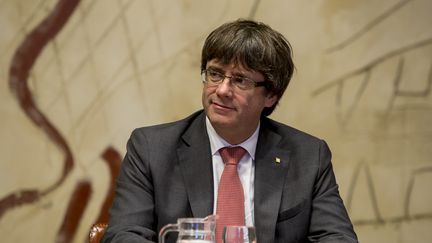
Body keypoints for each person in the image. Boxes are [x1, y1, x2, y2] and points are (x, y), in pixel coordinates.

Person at [102, 19, 358, 243]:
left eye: (240, 80)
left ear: (270, 95)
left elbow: (338, 237)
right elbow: (124, 234)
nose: (222, 90)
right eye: (215, 74)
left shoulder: (309, 156)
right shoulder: (151, 148)